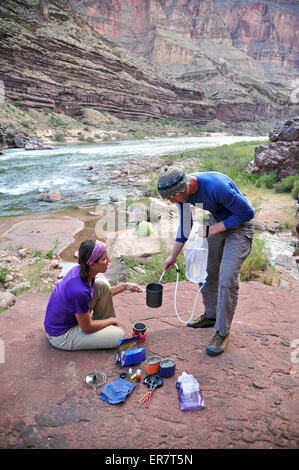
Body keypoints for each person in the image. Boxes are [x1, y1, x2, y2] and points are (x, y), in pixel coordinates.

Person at [157, 167, 255, 356]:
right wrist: (173, 255)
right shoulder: (180, 193)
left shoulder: (216, 186)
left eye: (173, 197)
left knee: (227, 278)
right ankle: (211, 315)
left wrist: (213, 230)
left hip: (241, 228)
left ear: (185, 186)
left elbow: (247, 213)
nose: (172, 201)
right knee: (204, 270)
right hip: (217, 221)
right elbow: (186, 225)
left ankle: (222, 332)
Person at [44, 239, 142, 351]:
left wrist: (125, 286)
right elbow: (87, 328)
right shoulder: (79, 291)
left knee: (102, 285)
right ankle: (106, 328)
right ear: (92, 264)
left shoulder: (82, 270)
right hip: (62, 335)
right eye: (105, 259)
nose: (109, 260)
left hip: (73, 319)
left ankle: (103, 328)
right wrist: (111, 320)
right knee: (119, 335)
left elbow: (104, 293)